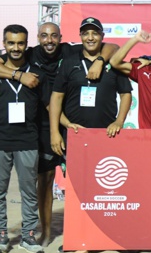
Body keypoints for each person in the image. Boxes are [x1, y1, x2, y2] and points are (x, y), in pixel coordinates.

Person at [0, 21, 119, 246]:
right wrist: (18, 75)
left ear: (60, 37)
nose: (49, 41)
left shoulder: (69, 49)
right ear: (37, 38)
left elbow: (111, 46)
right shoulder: (29, 53)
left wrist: (101, 61)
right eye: (44, 36)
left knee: (85, 178)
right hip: (43, 125)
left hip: (72, 122)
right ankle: (45, 232)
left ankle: (89, 228)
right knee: (44, 180)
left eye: (54, 36)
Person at [49, 18, 133, 156]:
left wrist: (119, 121)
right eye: (86, 33)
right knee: (74, 176)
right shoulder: (68, 62)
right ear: (80, 36)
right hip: (74, 132)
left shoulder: (113, 63)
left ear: (102, 36)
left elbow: (125, 94)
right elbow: (56, 97)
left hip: (106, 133)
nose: (90, 37)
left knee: (103, 174)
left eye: (95, 33)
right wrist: (56, 131)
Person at [0, 25, 49, 253]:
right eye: (11, 43)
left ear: (26, 44)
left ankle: (28, 236)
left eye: (20, 43)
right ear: (4, 44)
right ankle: (2, 235)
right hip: (1, 140)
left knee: (29, 191)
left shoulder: (37, 71)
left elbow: (50, 103)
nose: (16, 48)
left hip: (28, 141)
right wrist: (18, 75)